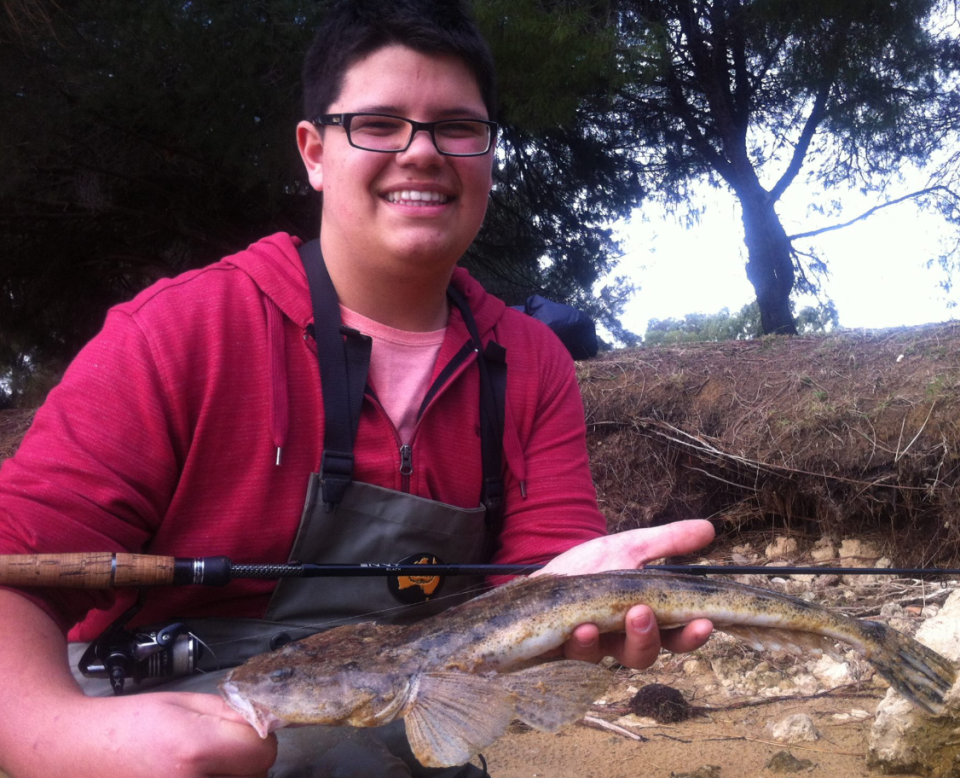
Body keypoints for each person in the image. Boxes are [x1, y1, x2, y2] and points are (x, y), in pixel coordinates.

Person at [0, 2, 715, 777]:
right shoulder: (179, 331)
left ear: (489, 153)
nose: (422, 152)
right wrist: (60, 739)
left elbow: (533, 593)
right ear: (313, 151)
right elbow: (16, 567)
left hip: (399, 723)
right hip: (164, 728)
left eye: (456, 127)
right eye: (378, 123)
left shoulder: (532, 359)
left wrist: (579, 602)